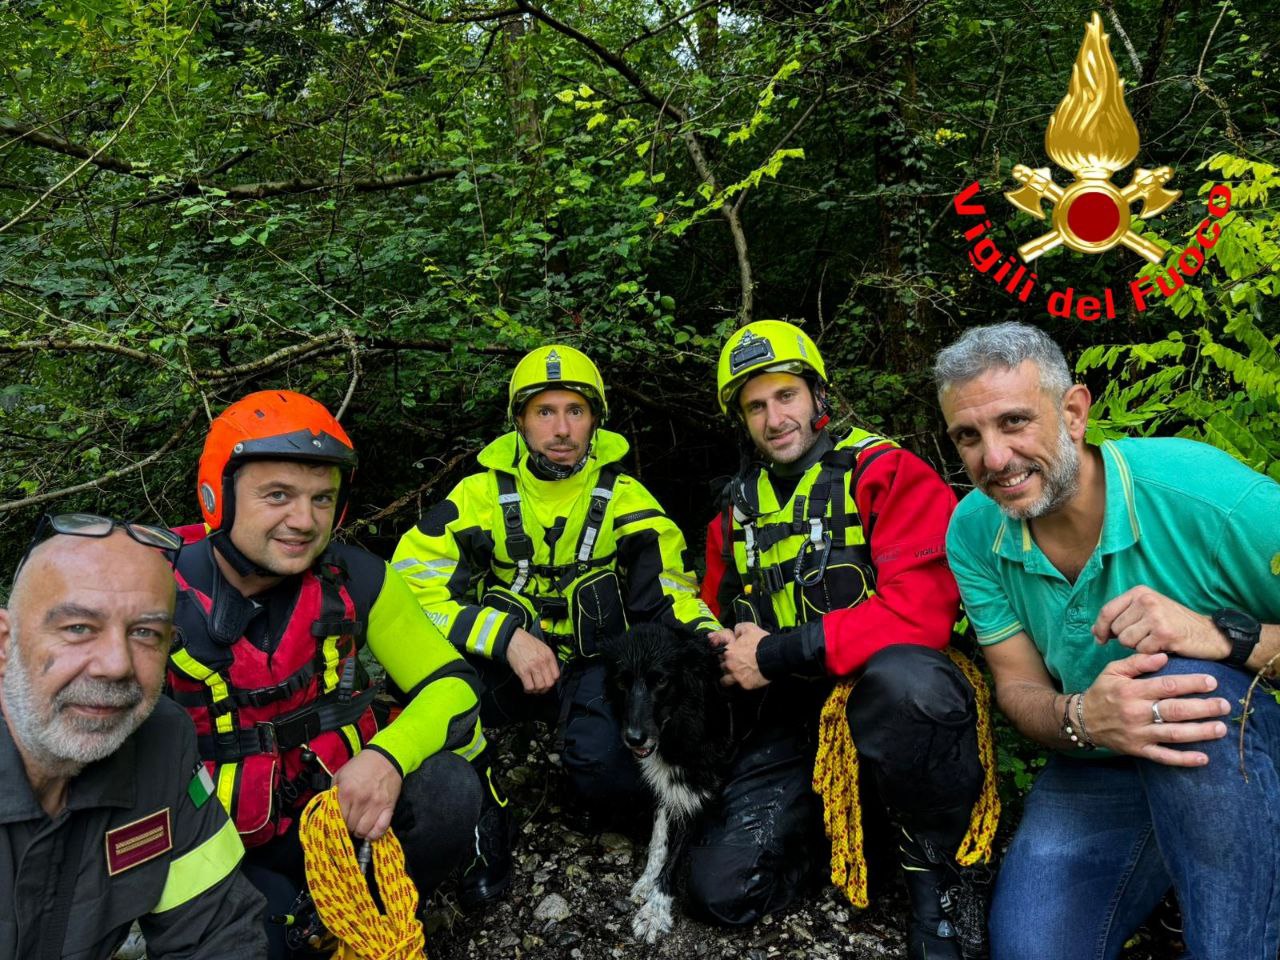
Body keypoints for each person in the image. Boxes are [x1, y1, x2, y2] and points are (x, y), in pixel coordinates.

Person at [935, 321, 1280, 960]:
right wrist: (1082, 716)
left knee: (1178, 681)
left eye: (1014, 422)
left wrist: (1222, 635)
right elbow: (1018, 686)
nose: (994, 459)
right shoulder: (975, 529)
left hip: (1235, 749)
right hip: (1101, 766)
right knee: (1032, 951)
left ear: (1073, 412)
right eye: (969, 436)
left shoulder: (1205, 496)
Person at [702, 320, 992, 959]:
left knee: (908, 682)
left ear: (816, 396)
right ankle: (845, 846)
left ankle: (942, 877)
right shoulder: (734, 512)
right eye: (756, 406)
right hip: (797, 715)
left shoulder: (886, 471)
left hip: (892, 700)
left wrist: (773, 653)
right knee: (725, 890)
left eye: (786, 397)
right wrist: (720, 650)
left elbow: (921, 613)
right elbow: (712, 610)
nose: (775, 418)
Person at [392, 344, 720, 902]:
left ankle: (598, 787)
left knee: (610, 777)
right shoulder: (476, 495)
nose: (562, 428)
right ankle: (482, 814)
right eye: (545, 412)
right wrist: (503, 636)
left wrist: (711, 637)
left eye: (576, 411)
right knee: (431, 695)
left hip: (593, 669)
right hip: (504, 664)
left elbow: (668, 594)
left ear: (596, 421)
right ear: (520, 421)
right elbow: (406, 590)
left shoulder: (626, 499)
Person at [166, 390, 485, 959]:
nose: (303, 521)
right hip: (220, 843)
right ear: (219, 494)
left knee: (450, 790)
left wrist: (386, 758)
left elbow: (455, 685)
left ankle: (366, 914)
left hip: (337, 810)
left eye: (322, 499)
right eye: (277, 496)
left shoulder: (356, 577)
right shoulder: (153, 594)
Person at [1, 513, 266, 960]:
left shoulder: (163, 741)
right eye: (78, 628)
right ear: (5, 643)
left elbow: (218, 933)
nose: (116, 664)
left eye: (145, 633)